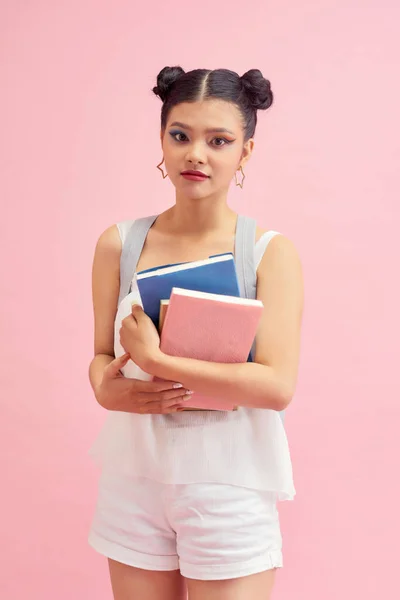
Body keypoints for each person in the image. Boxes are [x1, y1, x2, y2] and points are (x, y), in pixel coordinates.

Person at [88, 66, 304, 600]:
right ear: (161, 138)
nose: (195, 155)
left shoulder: (268, 253)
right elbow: (99, 355)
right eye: (180, 135)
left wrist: (160, 362)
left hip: (229, 482)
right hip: (134, 477)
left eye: (219, 140)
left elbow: (277, 386)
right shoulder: (120, 244)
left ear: (246, 152)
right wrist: (103, 387)